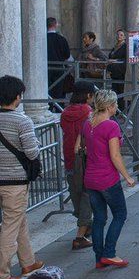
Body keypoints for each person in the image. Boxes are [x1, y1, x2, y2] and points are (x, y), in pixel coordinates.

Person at [78, 89, 135, 269]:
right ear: (110, 106)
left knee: (99, 218)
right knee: (120, 214)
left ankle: (98, 257)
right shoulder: (111, 126)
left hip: (91, 177)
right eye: (116, 105)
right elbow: (115, 155)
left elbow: (83, 147)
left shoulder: (88, 123)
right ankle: (109, 253)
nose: (117, 107)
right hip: (107, 178)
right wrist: (127, 177)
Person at [0, 76, 43, 279]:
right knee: (10, 225)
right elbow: (32, 152)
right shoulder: (21, 121)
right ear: (17, 96)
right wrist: (35, 141)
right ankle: (2, 274)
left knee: (19, 219)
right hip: (14, 180)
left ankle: (28, 262)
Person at [60, 80, 97, 250]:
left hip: (69, 157)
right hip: (85, 158)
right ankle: (80, 235)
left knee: (75, 192)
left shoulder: (65, 112)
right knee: (86, 195)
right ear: (89, 95)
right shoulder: (89, 113)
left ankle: (84, 223)